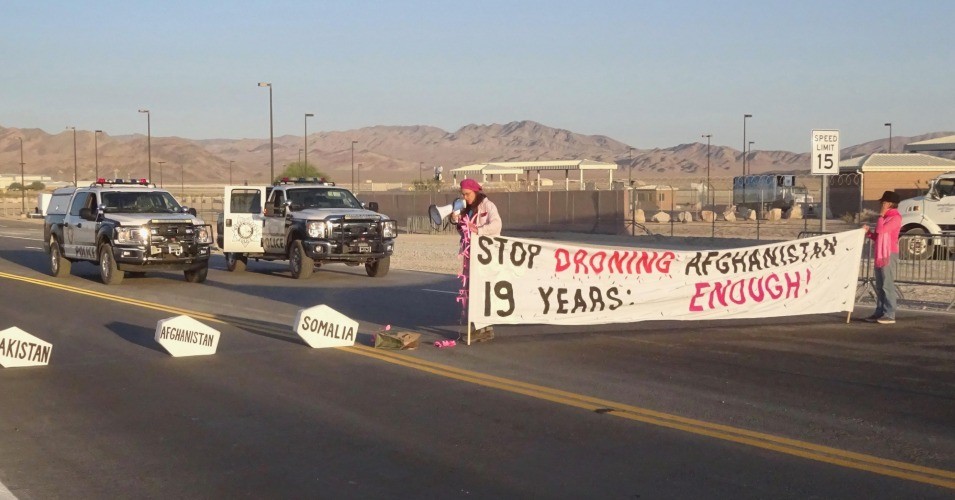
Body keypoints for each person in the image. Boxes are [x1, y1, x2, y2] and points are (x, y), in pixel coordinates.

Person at [450, 178, 502, 342]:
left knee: (482, 291)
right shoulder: (467, 209)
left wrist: (478, 230)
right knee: (472, 291)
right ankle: (478, 327)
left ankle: (485, 328)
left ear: (475, 192)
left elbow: (496, 226)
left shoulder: (488, 206)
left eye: (467, 194)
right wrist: (457, 221)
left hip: (485, 256)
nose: (465, 197)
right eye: (463, 195)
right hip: (470, 256)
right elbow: (463, 231)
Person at [862, 190, 902, 324]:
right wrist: (869, 233)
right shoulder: (885, 218)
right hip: (880, 254)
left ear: (890, 204)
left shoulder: (895, 218)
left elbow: (881, 230)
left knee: (887, 284)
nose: (882, 205)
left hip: (888, 253)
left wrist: (880, 215)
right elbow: (878, 236)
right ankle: (879, 311)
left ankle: (889, 313)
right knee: (880, 285)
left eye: (884, 202)